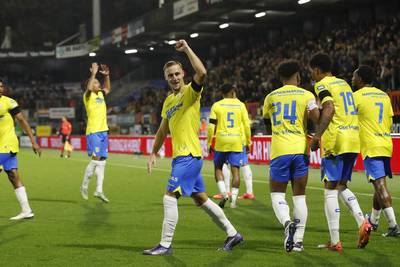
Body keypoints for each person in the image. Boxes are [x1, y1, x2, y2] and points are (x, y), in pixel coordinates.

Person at [143, 40, 243, 256]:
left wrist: (187, 49)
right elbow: (162, 131)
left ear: (183, 74)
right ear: (166, 79)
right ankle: (233, 234)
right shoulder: (168, 101)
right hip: (183, 157)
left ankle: (165, 244)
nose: (174, 78)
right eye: (170, 75)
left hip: (189, 155)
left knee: (169, 196)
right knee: (201, 199)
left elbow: (203, 72)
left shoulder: (190, 92)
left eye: (177, 73)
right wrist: (153, 152)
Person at [309, 53, 372, 251]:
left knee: (329, 188)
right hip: (353, 138)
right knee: (341, 186)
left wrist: (317, 136)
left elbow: (328, 108)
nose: (312, 75)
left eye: (312, 71)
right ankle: (363, 222)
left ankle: (335, 241)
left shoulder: (321, 84)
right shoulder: (344, 83)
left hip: (336, 139)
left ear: (317, 70)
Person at [263, 61, 319, 252]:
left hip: (280, 150)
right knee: (300, 197)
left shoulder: (270, 97)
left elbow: (267, 125)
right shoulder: (307, 95)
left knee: (277, 194)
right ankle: (298, 242)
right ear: (298, 76)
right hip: (300, 149)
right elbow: (316, 117)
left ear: (280, 77)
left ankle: (287, 222)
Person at [352, 65, 400, 237]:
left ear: (361, 79)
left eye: (354, 76)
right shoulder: (383, 96)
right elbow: (389, 120)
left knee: (379, 185)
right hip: (385, 143)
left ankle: (393, 225)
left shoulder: (356, 96)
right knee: (379, 184)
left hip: (370, 145)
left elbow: (349, 120)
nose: (352, 78)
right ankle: (374, 220)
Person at [0, 80, 41, 220]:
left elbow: (23, 121)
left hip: (7, 144)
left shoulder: (9, 102)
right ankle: (26, 210)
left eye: (1, 86)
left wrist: (33, 141)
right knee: (13, 175)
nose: (0, 88)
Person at [207, 83, 251, 209]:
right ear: (233, 92)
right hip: (237, 141)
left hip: (221, 141)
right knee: (236, 171)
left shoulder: (217, 105)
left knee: (218, 168)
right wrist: (248, 141)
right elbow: (247, 126)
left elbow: (211, 127)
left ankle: (224, 193)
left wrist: (209, 142)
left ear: (222, 93)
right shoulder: (241, 105)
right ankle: (233, 202)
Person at [80, 63, 110, 203]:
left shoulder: (101, 94)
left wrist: (106, 76)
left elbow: (108, 88)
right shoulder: (87, 96)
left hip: (104, 131)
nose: (98, 84)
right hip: (94, 132)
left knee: (102, 161)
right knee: (95, 159)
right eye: (95, 82)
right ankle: (84, 186)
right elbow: (88, 87)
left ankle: (99, 190)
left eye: (98, 82)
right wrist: (93, 74)